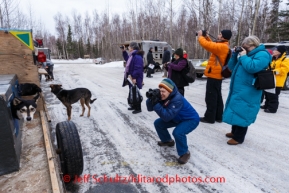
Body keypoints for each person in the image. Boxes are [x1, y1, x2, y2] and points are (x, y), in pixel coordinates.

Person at [223, 36, 272, 145]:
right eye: (243, 47)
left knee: (243, 110)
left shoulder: (263, 54)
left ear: (254, 45)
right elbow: (231, 67)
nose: (245, 49)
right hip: (240, 88)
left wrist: (244, 56)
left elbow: (252, 67)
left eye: (247, 47)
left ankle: (239, 138)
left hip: (250, 89)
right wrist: (235, 54)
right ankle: (234, 132)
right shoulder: (247, 54)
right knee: (235, 108)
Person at [146, 78, 199, 164]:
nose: (161, 93)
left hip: (190, 119)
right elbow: (149, 109)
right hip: (176, 117)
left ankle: (185, 153)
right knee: (158, 123)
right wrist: (151, 98)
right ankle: (168, 141)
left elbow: (166, 117)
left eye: (163, 91)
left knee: (178, 132)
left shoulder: (177, 99)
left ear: (170, 91)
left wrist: (156, 103)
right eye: (160, 91)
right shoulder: (163, 97)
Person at [197, 29, 232, 124]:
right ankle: (218, 116)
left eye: (220, 34)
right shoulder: (223, 45)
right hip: (216, 75)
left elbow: (208, 45)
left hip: (214, 75)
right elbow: (212, 44)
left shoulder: (222, 46)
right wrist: (206, 36)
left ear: (223, 36)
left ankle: (209, 117)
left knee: (211, 97)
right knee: (217, 97)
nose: (218, 35)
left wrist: (200, 37)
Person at [261, 45, 289, 113]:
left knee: (273, 96)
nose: (273, 51)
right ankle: (267, 105)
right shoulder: (273, 59)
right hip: (271, 80)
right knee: (268, 93)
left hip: (278, 82)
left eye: (275, 50)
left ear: (280, 52)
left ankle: (272, 108)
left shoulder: (285, 60)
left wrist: (274, 71)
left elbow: (285, 69)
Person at [121, 42, 144, 114]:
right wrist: (124, 52)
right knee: (132, 91)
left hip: (135, 77)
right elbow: (127, 59)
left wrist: (134, 77)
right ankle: (133, 105)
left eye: (129, 47)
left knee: (136, 92)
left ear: (133, 48)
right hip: (131, 77)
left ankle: (138, 108)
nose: (128, 48)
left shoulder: (137, 56)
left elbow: (138, 68)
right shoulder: (133, 55)